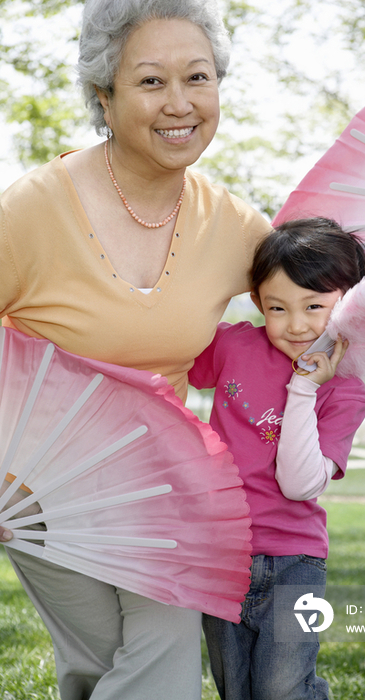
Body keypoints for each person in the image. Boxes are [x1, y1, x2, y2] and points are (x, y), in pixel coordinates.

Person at [0, 1, 272, 698]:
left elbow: (322, 282)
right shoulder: (29, 210)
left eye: (198, 77)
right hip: (39, 493)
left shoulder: (235, 224)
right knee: (119, 664)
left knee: (147, 663)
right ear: (104, 97)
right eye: (151, 82)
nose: (180, 104)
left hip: (162, 487)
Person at [189, 218, 365, 700]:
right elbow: (171, 352)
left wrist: (304, 387)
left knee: (282, 690)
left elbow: (299, 484)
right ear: (257, 304)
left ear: (349, 303)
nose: (296, 324)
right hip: (222, 551)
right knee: (236, 690)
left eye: (315, 306)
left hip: (295, 558)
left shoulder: (346, 392)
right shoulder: (234, 346)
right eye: (277, 307)